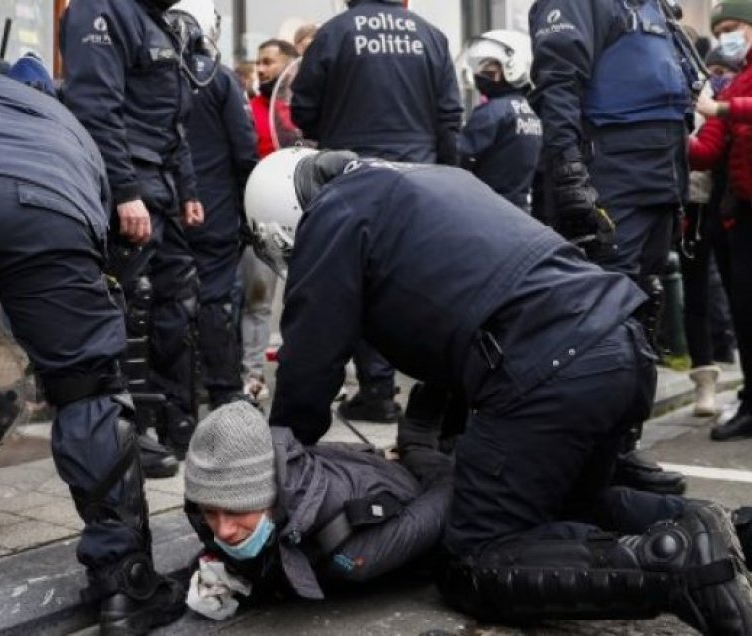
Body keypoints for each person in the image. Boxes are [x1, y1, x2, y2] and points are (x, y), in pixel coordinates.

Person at [246, 147, 752, 634]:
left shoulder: (333, 213)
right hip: (619, 343)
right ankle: (729, 531)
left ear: (283, 222)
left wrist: (277, 461)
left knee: (475, 559)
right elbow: (475, 296)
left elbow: (310, 357)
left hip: (548, 368)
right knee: (568, 509)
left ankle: (678, 564)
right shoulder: (430, 181)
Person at [0, 66, 184, 634]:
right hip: (44, 207)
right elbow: (98, 237)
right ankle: (124, 582)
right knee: (87, 386)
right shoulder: (70, 124)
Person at [529, 0, 692, 495]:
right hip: (612, 171)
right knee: (604, 317)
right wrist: (569, 171)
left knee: (642, 310)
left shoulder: (652, 7)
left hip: (660, 171)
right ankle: (591, 456)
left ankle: (620, 445)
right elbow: (558, 81)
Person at [291, 0, 463, 425]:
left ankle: (377, 390)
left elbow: (303, 109)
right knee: (422, 280)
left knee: (357, 278)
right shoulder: (430, 34)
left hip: (354, 173)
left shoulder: (335, 32)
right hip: (418, 177)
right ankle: (435, 390)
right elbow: (449, 116)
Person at [60, 0, 205, 477]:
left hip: (161, 185)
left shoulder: (155, 20)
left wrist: (188, 190)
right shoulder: (99, 10)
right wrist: (124, 190)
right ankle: (127, 432)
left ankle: (178, 422)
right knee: (130, 306)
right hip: (130, 182)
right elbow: (96, 108)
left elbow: (174, 119)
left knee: (177, 303)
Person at [182, 399, 452, 618]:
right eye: (210, 512)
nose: (223, 530)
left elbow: (448, 494)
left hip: (404, 485)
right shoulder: (275, 467)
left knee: (436, 466)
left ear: (272, 498)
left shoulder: (352, 554)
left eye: (236, 511)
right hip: (355, 464)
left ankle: (418, 439)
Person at [168, 0, 258, 409]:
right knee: (214, 300)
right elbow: (244, 150)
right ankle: (224, 393)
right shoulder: (219, 80)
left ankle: (177, 405)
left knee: (167, 302)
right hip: (215, 210)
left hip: (164, 208)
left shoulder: (152, 76)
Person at [689, 0, 752, 442]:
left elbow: (725, 114)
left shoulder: (735, 93)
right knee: (746, 311)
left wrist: (722, 112)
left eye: (735, 27)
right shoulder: (733, 82)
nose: (728, 35)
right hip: (743, 212)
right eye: (721, 29)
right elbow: (709, 146)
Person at [681, 44, 740, 417]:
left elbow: (706, 153)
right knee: (695, 296)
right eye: (712, 68)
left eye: (725, 70)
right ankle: (704, 382)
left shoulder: (723, 111)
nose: (717, 75)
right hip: (691, 213)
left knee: (736, 296)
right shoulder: (696, 105)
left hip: (725, 212)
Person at [239, 38, 298, 402]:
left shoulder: (306, 111)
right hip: (262, 219)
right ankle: (252, 375)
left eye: (268, 62)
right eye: (258, 63)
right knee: (257, 301)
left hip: (304, 218)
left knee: (307, 302)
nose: (261, 69)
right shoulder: (248, 109)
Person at [458, 30, 542, 212]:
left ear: (513, 66)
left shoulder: (492, 112)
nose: (480, 73)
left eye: (489, 67)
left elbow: (459, 158)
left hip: (488, 210)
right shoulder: (529, 111)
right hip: (520, 210)